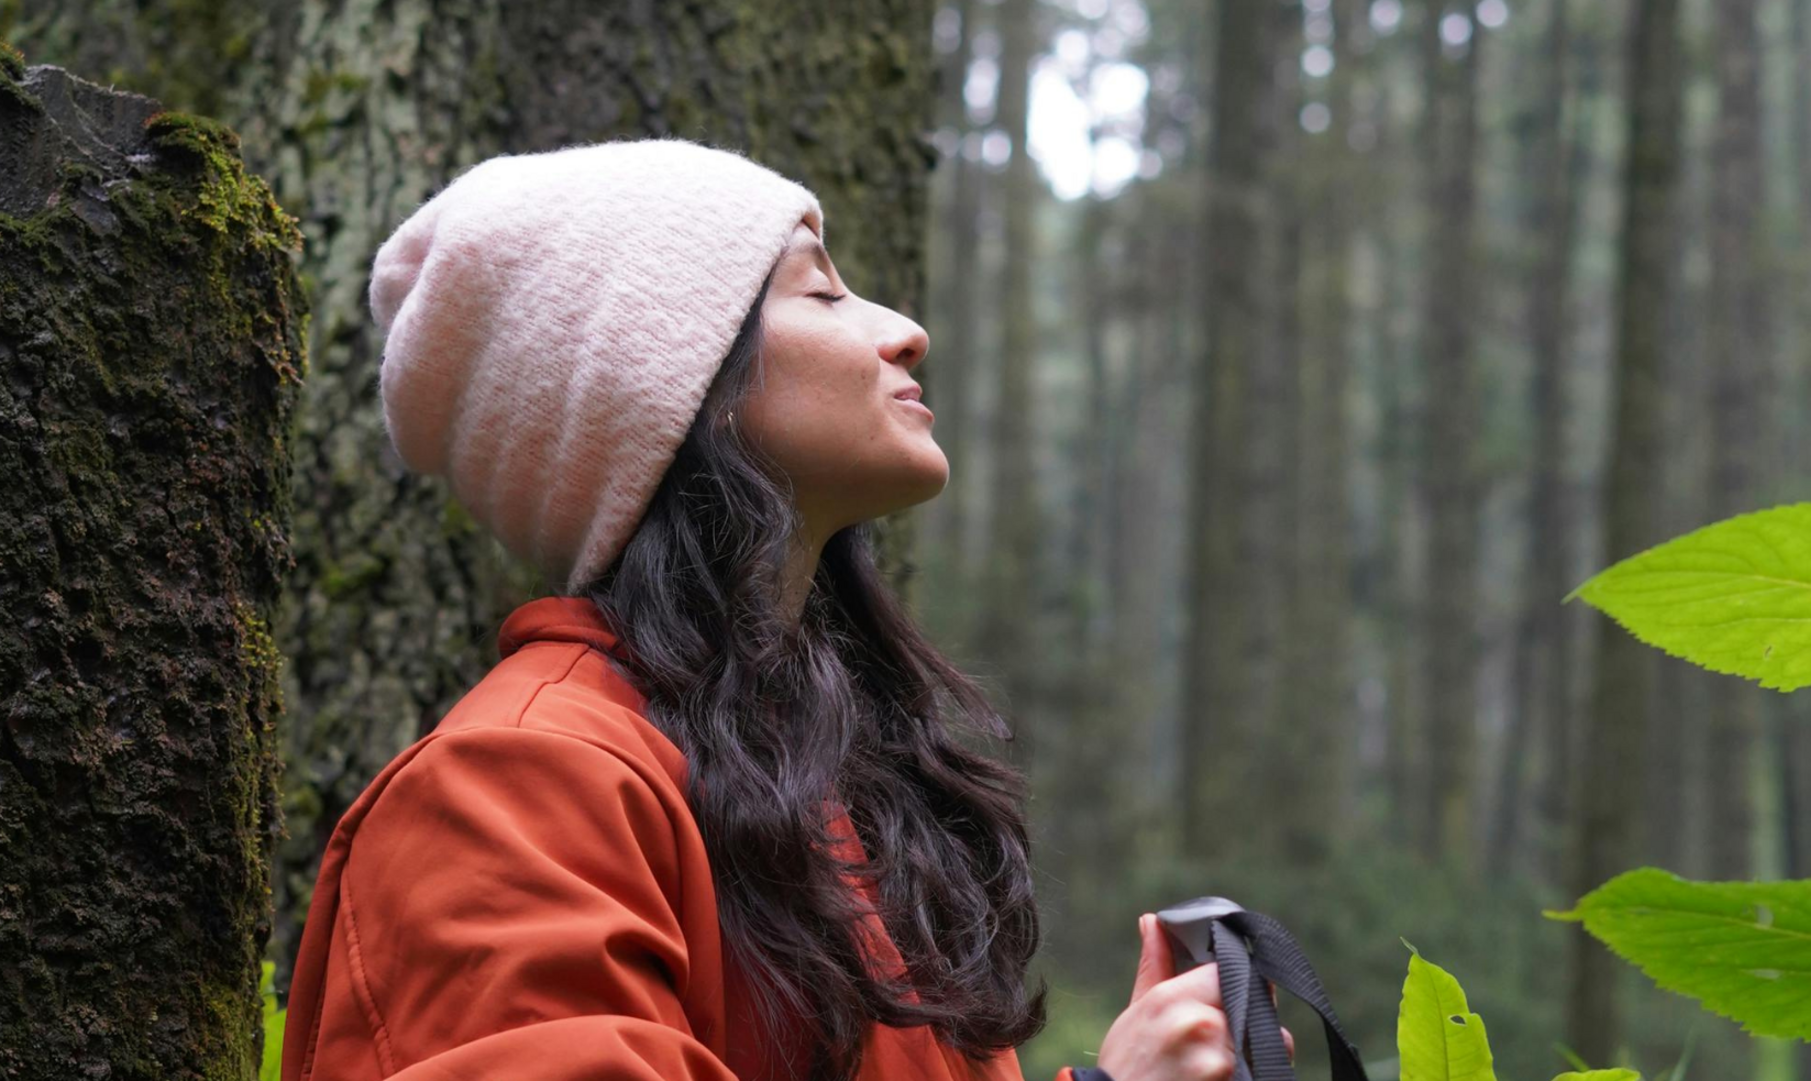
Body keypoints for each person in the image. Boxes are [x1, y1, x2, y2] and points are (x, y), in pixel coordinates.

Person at [279, 138, 1281, 1081]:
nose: (904, 329)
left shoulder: (819, 794)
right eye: (822, 291)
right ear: (674, 388)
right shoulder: (515, 791)